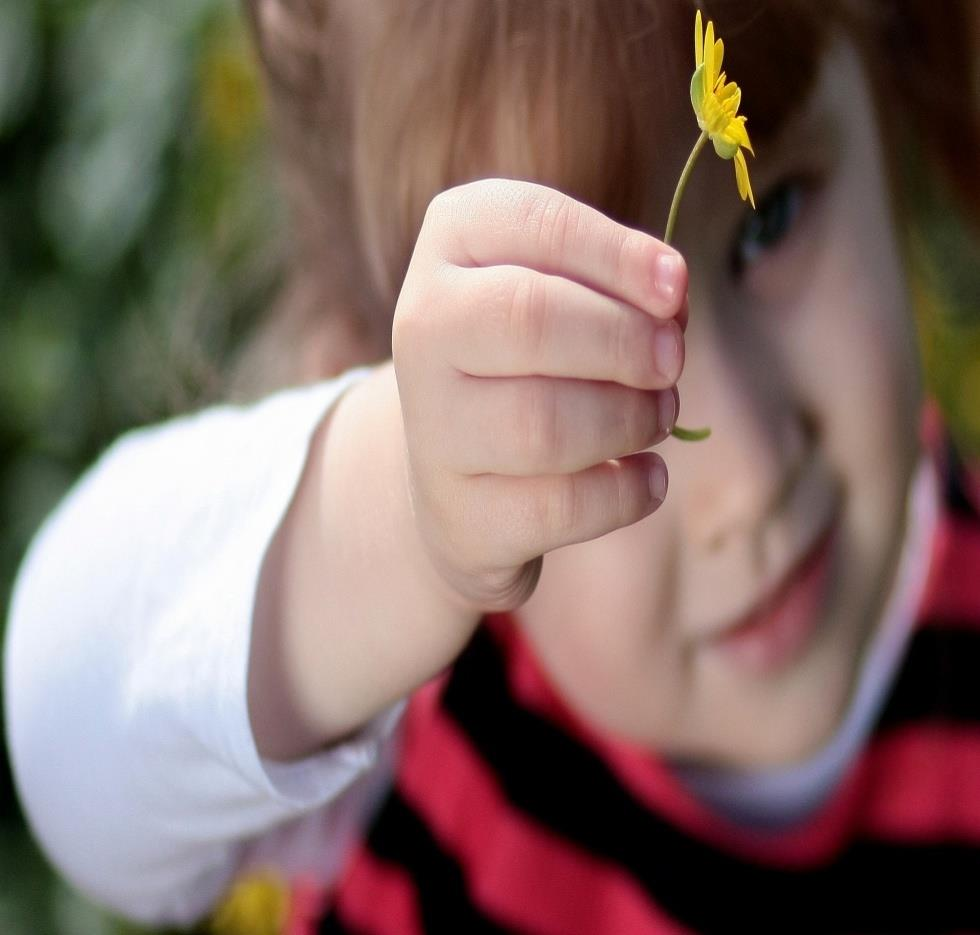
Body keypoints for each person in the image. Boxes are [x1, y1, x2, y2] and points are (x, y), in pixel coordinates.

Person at [5, 0, 980, 931]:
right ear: (372, 361)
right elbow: (64, 738)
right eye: (559, 358)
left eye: (771, 218)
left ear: (889, 82)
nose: (749, 477)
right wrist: (397, 513)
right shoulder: (408, 695)